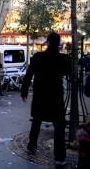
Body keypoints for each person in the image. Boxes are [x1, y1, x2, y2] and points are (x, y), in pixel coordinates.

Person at [21, 32, 70, 166]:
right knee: (59, 126)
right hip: (55, 96)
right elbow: (68, 73)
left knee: (36, 121)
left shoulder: (38, 57)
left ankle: (31, 145)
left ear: (47, 42)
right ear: (58, 43)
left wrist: (24, 90)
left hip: (40, 95)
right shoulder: (64, 59)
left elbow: (29, 75)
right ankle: (59, 157)